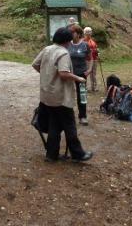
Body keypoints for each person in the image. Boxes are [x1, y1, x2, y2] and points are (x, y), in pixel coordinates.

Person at [31, 27, 93, 163]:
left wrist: (47, 76)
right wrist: (79, 78)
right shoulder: (63, 53)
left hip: (47, 95)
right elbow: (64, 73)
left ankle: (51, 155)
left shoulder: (47, 49)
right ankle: (78, 154)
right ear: (67, 40)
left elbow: (35, 64)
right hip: (60, 97)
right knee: (69, 125)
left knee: (55, 124)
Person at [69, 25, 90, 125]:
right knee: (67, 94)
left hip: (81, 74)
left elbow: (90, 58)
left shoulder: (85, 45)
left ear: (78, 33)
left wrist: (89, 69)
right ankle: (68, 116)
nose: (71, 34)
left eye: (72, 32)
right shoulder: (68, 44)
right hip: (69, 73)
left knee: (82, 95)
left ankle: (83, 116)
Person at [83, 27, 99, 92]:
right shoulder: (83, 41)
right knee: (86, 73)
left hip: (94, 59)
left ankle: (94, 87)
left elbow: (95, 48)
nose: (89, 33)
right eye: (88, 32)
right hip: (87, 59)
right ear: (85, 33)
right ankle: (85, 87)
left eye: (90, 32)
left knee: (93, 73)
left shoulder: (93, 41)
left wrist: (97, 51)